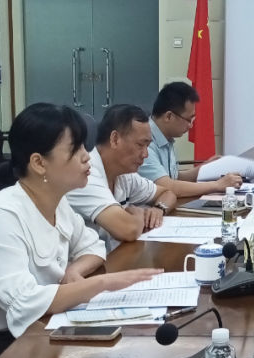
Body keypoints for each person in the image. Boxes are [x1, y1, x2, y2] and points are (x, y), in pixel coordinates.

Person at [0, 104, 162, 358]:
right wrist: (100, 283)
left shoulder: (57, 203)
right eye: (75, 150)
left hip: (36, 334)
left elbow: (93, 246)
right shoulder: (1, 216)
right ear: (39, 163)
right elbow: (24, 301)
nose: (87, 156)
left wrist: (76, 270)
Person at [65, 103, 178, 251]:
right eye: (140, 145)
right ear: (115, 139)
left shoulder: (124, 173)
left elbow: (167, 193)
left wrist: (159, 209)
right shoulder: (86, 174)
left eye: (147, 146)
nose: (145, 154)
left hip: (109, 256)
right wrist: (138, 215)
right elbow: (128, 230)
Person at [138, 81, 243, 196]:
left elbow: (174, 177)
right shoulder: (144, 142)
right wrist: (217, 185)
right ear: (169, 116)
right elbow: (167, 186)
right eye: (189, 119)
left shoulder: (166, 138)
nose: (190, 126)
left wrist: (205, 168)